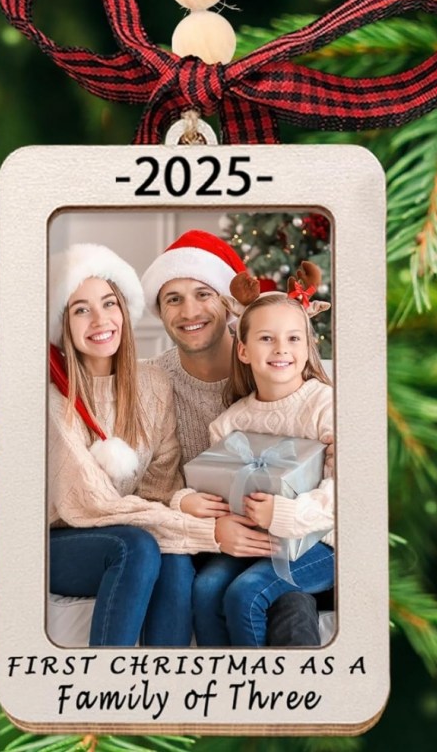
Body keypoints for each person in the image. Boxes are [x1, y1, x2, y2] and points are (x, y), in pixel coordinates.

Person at [140, 231, 325, 645]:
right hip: (209, 534)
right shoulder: (152, 383)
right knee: (209, 588)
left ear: (227, 304)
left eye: (203, 293)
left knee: (287, 600)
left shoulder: (279, 375)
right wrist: (200, 517)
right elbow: (150, 488)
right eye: (173, 298)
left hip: (298, 531)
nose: (190, 311)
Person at [47, 242, 220, 647]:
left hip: (127, 529)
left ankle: (166, 692)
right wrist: (210, 532)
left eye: (109, 303)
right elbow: (91, 505)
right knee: (138, 546)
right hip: (62, 540)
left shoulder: (153, 386)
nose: (100, 319)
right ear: (62, 323)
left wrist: (184, 520)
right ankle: (107, 692)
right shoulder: (55, 400)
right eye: (80, 309)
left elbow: (160, 490)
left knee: (176, 557)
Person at [187, 264, 336, 647]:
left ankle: (255, 696)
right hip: (253, 542)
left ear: (308, 346)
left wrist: (284, 515)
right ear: (243, 349)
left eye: (293, 338)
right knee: (205, 588)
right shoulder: (229, 424)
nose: (282, 349)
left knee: (245, 594)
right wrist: (191, 505)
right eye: (267, 338)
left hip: (321, 543)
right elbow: (211, 488)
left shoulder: (326, 407)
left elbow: (349, 492)